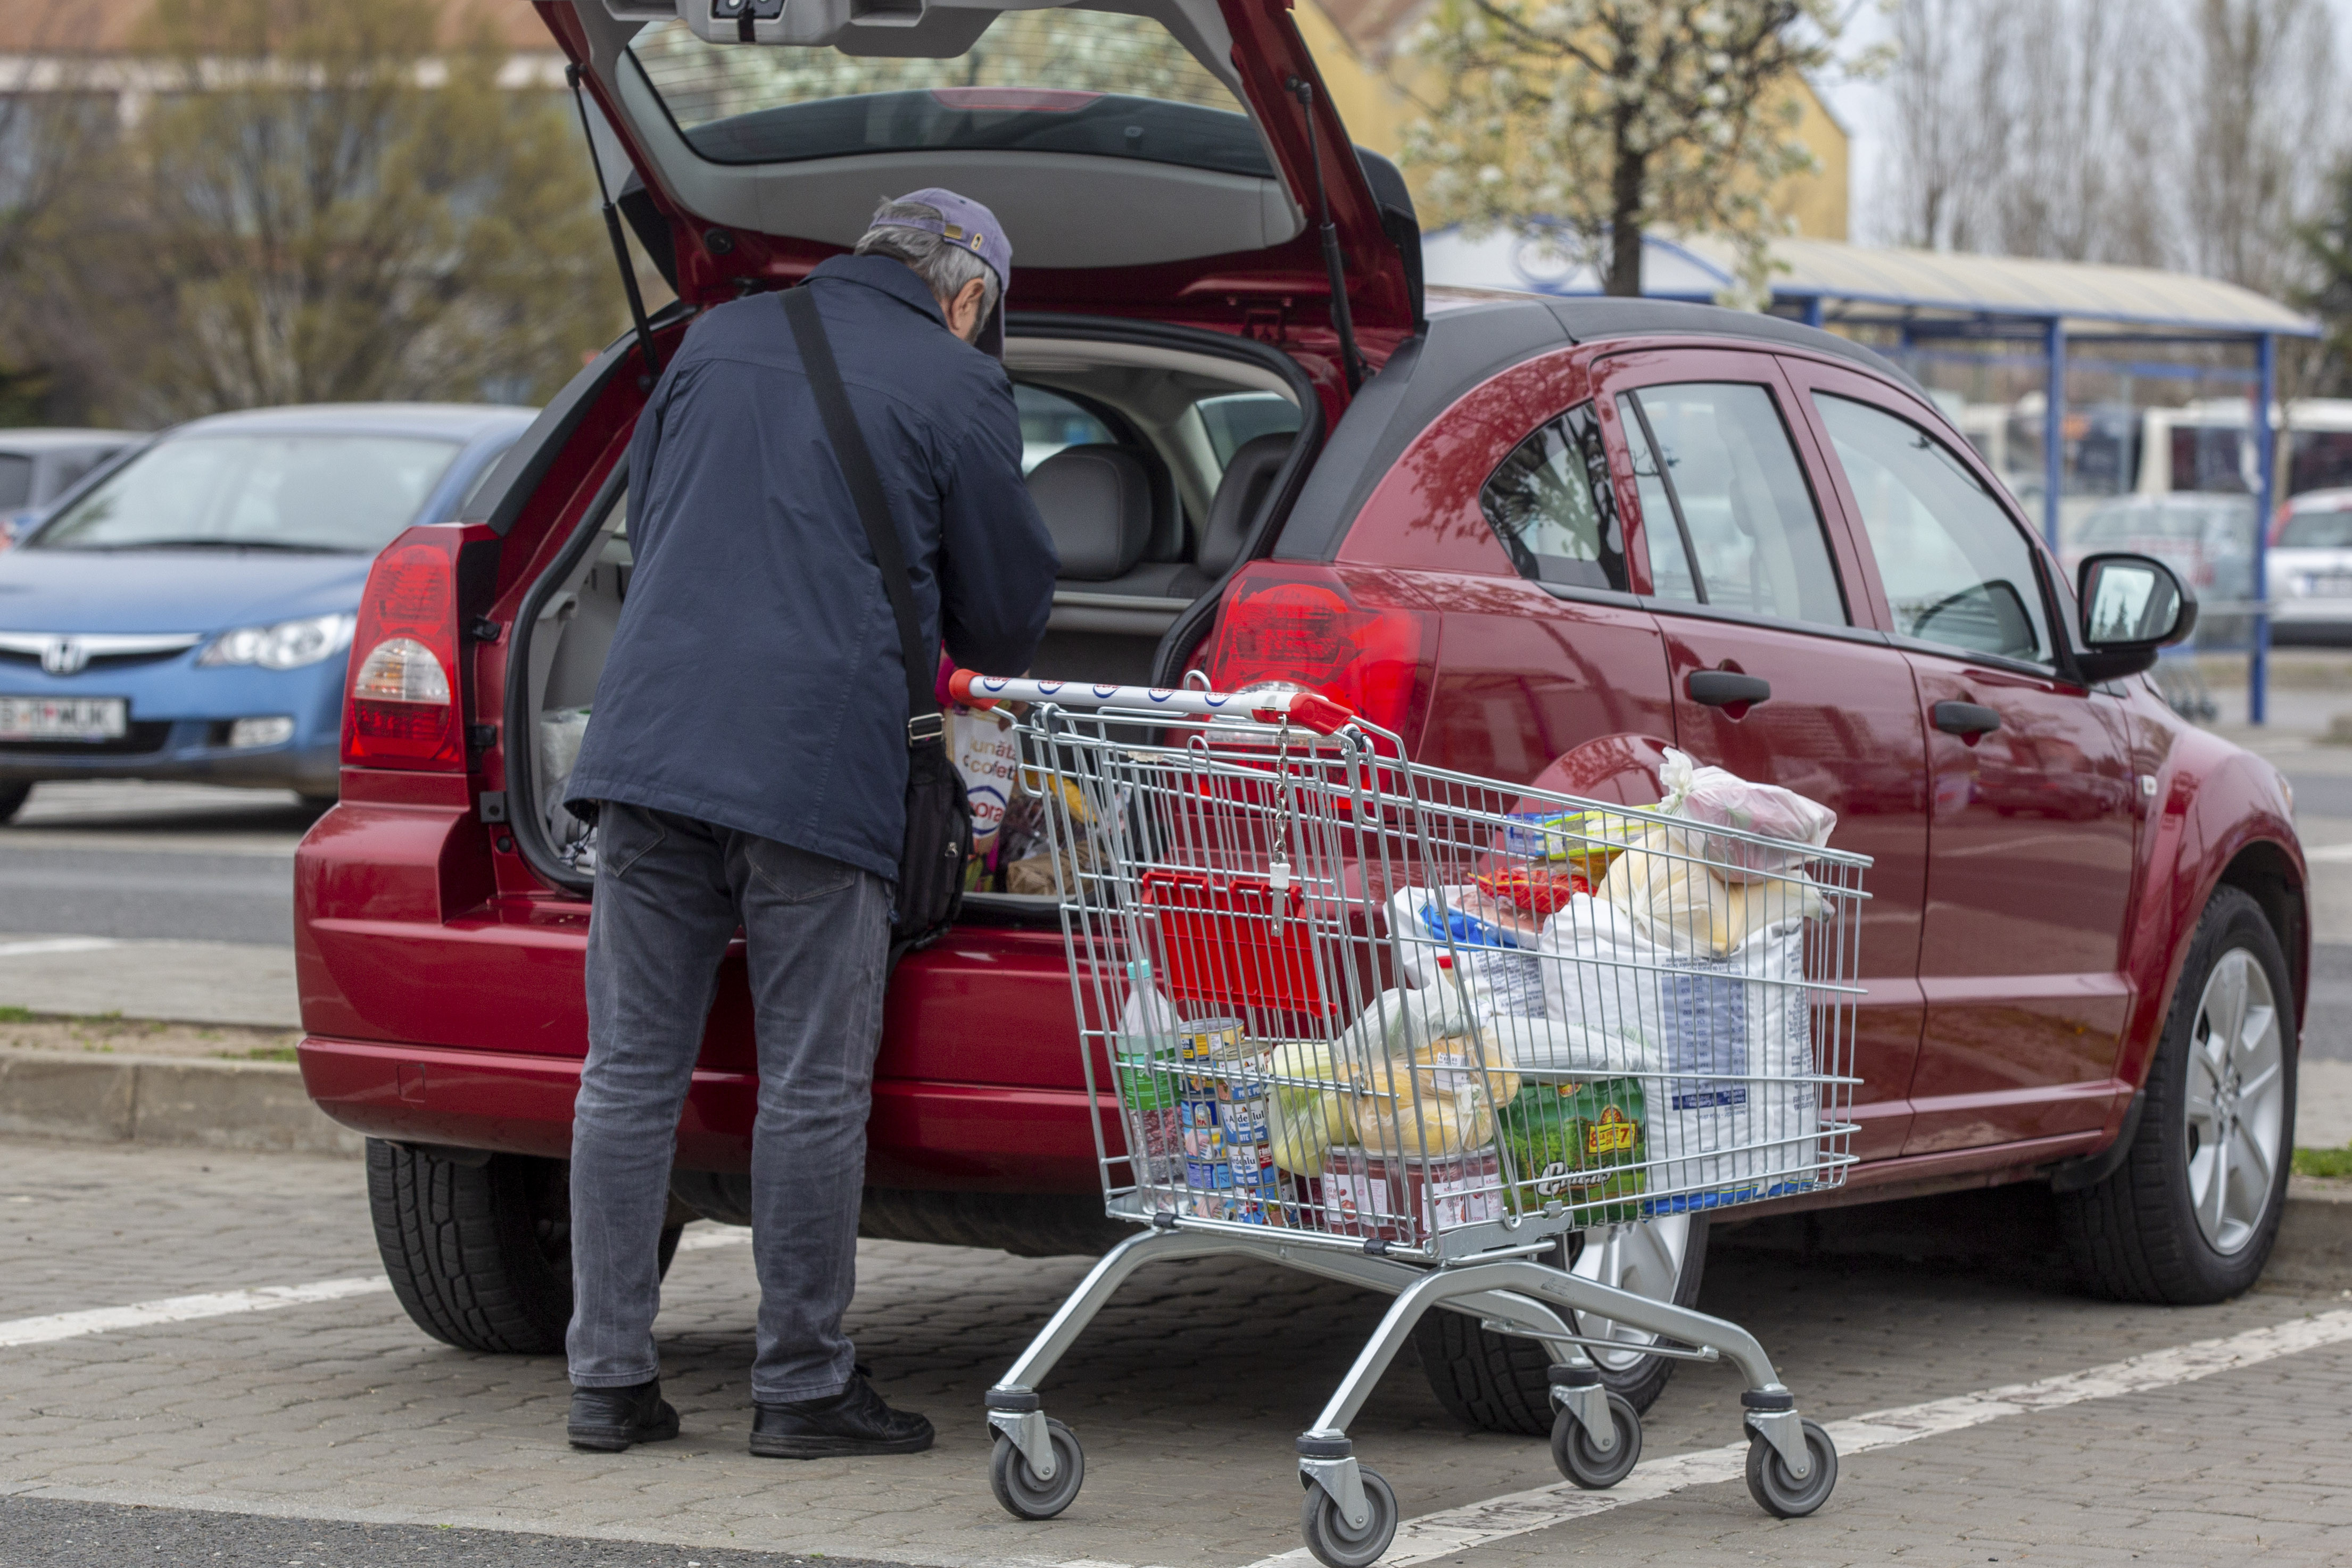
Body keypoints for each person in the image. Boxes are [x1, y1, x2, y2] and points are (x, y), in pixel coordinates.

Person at [557, 190, 1058, 1459]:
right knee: (812, 1088)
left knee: (624, 1074)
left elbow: (651, 529)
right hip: (812, 766)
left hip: (651, 746)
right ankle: (800, 1388)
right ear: (968, 296)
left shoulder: (711, 341)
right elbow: (1003, 620)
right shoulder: (960, 388)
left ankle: (608, 1382)